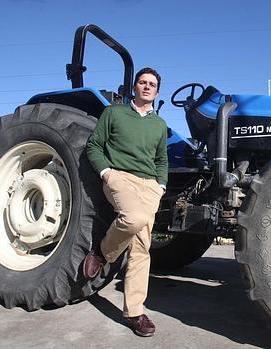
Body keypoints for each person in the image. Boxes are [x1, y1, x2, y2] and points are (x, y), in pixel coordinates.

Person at [83, 67, 168, 337]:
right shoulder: (114, 113)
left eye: (151, 84)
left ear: (157, 91)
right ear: (134, 87)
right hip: (120, 178)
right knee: (134, 219)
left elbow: (161, 159)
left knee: (142, 250)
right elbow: (94, 145)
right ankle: (103, 253)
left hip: (149, 186)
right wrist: (106, 173)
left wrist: (161, 185)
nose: (146, 87)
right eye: (142, 82)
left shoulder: (159, 124)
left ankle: (134, 313)